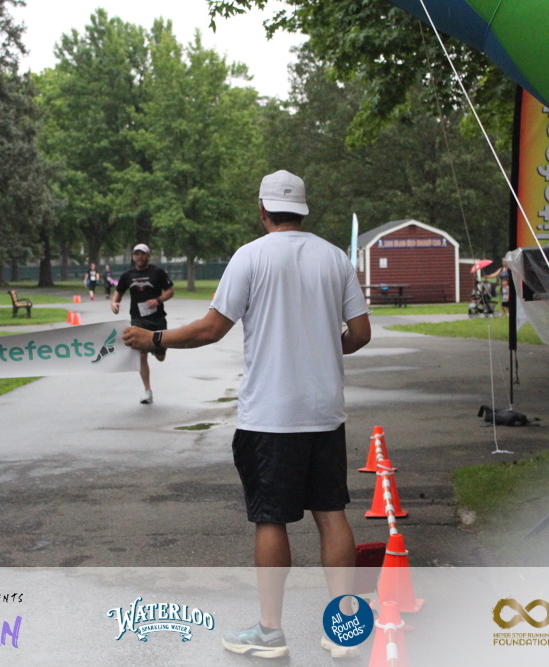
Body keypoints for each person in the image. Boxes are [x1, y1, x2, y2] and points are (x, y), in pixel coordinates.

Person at [123, 170, 371, 659]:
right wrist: (323, 348)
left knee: (271, 520)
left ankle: (270, 632)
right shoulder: (334, 258)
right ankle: (343, 630)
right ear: (303, 210)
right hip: (324, 412)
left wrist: (155, 338)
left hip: (270, 417)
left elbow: (211, 329)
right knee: (331, 514)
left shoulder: (250, 257)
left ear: (262, 211)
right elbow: (360, 332)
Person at [112, 244, 174, 404]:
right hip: (138, 319)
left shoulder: (158, 273)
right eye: (137, 254)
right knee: (141, 355)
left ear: (148, 256)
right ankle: (147, 391)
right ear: (133, 256)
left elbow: (170, 291)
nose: (140, 257)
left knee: (160, 357)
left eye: (143, 254)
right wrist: (114, 303)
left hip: (157, 319)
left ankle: (155, 348)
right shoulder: (128, 275)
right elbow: (118, 293)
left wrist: (158, 300)